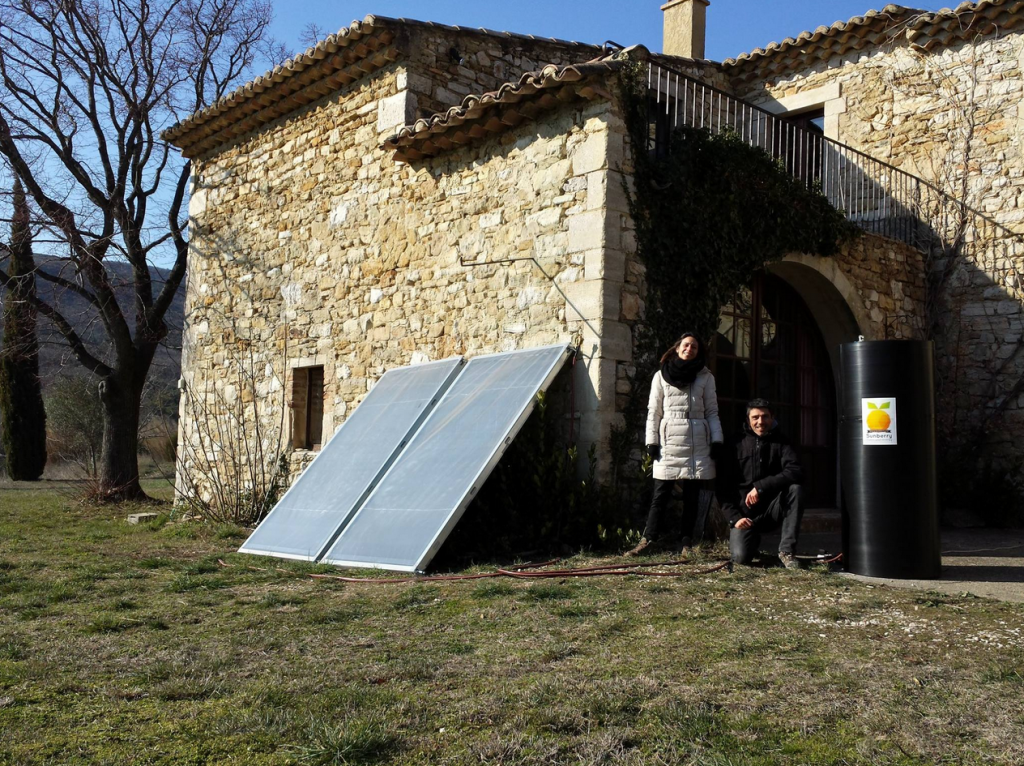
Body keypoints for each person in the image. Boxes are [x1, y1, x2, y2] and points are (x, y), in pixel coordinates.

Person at [626, 332, 723, 556]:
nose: (690, 349)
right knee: (660, 494)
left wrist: (717, 440)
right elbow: (654, 411)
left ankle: (685, 541)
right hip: (669, 440)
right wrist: (651, 441)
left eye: (695, 347)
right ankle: (648, 540)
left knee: (692, 496)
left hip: (697, 440)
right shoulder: (660, 376)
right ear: (677, 347)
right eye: (686, 345)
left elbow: (712, 411)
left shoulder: (706, 377)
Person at [717, 398, 804, 569]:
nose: (760, 422)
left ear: (772, 418)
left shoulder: (783, 442)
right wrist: (735, 519)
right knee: (741, 558)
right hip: (745, 515)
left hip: (772, 509)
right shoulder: (733, 444)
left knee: (796, 489)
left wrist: (761, 486)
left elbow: (796, 471)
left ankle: (786, 552)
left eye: (765, 417)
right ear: (748, 420)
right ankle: (751, 541)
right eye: (755, 417)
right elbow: (722, 487)